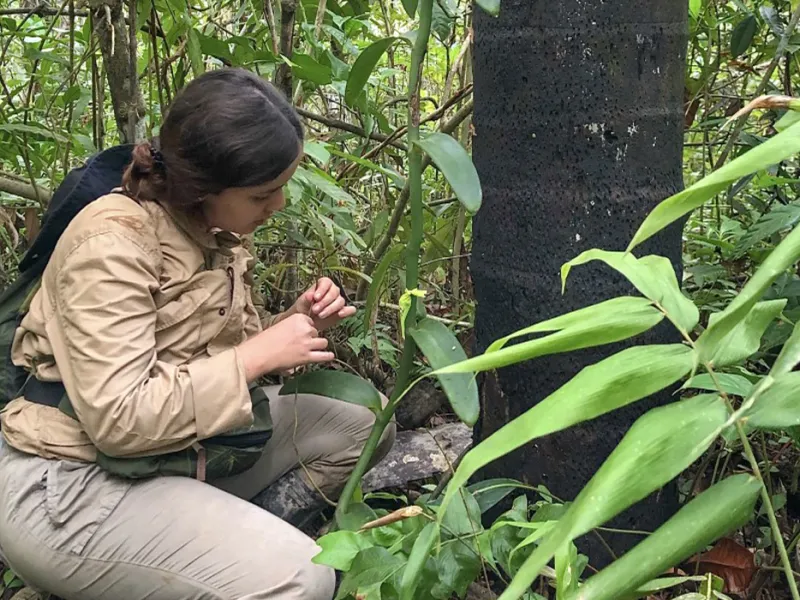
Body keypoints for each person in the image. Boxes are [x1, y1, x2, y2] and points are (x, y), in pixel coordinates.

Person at [0, 67, 396, 600]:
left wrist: (292, 327)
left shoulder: (207, 230)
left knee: (364, 422)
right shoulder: (111, 242)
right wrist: (255, 359)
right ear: (204, 183)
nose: (276, 206)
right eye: (263, 194)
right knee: (303, 578)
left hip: (171, 456)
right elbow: (119, 418)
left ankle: (208, 563)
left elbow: (208, 356)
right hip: (68, 485)